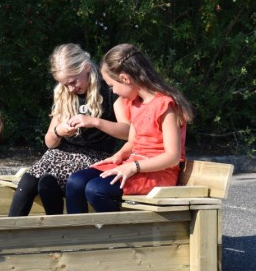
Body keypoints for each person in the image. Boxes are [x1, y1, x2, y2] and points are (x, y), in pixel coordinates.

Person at [65, 43, 194, 213]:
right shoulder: (135, 103)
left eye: (112, 86)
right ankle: (80, 236)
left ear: (125, 79)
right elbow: (133, 142)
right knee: (76, 182)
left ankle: (115, 235)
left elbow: (172, 157)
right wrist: (118, 156)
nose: (114, 92)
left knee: (97, 189)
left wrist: (134, 167)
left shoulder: (165, 105)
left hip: (159, 173)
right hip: (134, 165)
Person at [7, 43, 130, 216]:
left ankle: (63, 233)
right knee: (29, 182)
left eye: (73, 82)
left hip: (92, 157)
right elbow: (49, 143)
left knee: (49, 184)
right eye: (65, 84)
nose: (71, 88)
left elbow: (128, 131)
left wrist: (95, 122)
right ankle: (11, 234)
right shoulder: (64, 93)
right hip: (59, 154)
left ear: (86, 68)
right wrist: (58, 131)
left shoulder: (109, 90)